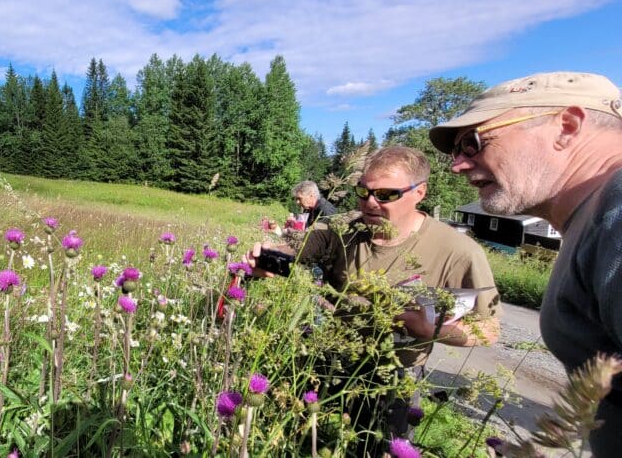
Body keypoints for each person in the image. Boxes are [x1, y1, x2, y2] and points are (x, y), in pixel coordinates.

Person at [246, 146, 501, 441]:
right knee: (297, 436)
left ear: (420, 192)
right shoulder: (342, 228)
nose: (369, 203)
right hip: (328, 360)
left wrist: (430, 330)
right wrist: (266, 256)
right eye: (362, 191)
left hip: (393, 377)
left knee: (378, 446)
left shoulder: (458, 252)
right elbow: (299, 250)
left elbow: (489, 328)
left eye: (386, 195)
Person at [429, 71, 622, 454]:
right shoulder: (595, 217)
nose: (458, 165)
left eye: (473, 142)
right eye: (456, 152)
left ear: (566, 126)